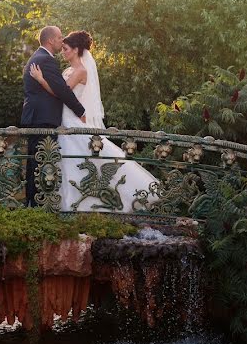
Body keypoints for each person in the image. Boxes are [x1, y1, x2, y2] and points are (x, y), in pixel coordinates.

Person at [29, 30, 158, 212]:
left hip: (72, 120)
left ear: (75, 50)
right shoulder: (68, 70)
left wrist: (41, 80)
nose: (63, 52)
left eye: (66, 49)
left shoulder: (80, 71)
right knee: (68, 162)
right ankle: (69, 204)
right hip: (64, 119)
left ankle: (126, 195)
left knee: (79, 157)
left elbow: (62, 94)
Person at [21, 26, 86, 206]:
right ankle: (38, 206)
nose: (61, 40)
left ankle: (32, 204)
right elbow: (62, 91)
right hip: (43, 119)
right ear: (51, 40)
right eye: (59, 38)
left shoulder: (36, 58)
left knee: (36, 161)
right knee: (42, 162)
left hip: (36, 117)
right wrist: (81, 111)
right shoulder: (46, 60)